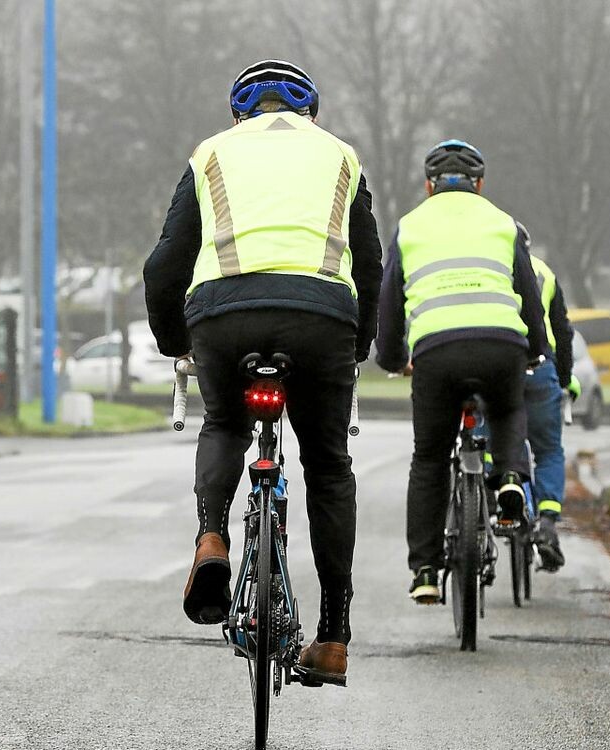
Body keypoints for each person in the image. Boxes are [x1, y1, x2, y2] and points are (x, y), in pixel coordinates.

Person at [143, 59, 383, 685]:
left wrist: (178, 343)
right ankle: (333, 637)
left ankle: (211, 539)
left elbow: (164, 265)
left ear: (238, 114)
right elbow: (371, 265)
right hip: (320, 319)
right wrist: (357, 345)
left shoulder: (210, 156)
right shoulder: (342, 157)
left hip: (224, 317)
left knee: (224, 425)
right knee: (328, 466)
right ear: (311, 113)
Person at [374, 139, 549, 604]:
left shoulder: (409, 226)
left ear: (429, 186)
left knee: (429, 459)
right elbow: (529, 293)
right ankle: (510, 478)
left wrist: (392, 358)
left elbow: (389, 304)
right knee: (509, 411)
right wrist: (537, 349)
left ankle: (426, 570)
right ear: (480, 184)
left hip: (437, 351)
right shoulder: (502, 223)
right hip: (500, 346)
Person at [524, 251, 580, 572]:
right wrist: (565, 379)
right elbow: (563, 331)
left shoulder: (484, 260)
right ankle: (546, 521)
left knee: (501, 431)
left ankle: (502, 488)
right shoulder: (545, 272)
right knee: (548, 451)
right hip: (542, 366)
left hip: (498, 362)